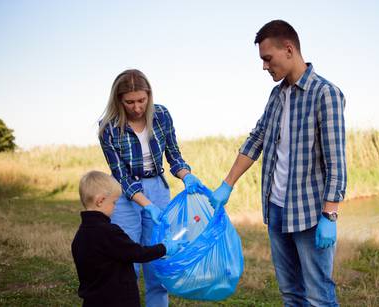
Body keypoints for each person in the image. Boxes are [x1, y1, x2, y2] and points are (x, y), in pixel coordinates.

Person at [211, 20, 346, 306]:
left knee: (318, 294)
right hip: (276, 209)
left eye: (267, 58)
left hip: (310, 213)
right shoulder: (276, 95)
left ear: (288, 49)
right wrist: (227, 185)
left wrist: (330, 216)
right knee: (290, 292)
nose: (264, 66)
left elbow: (336, 162)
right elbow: (256, 140)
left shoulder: (325, 94)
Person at [98, 69, 203, 307]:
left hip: (157, 187)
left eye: (142, 100)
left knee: (158, 255)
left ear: (149, 96)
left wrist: (187, 176)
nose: (137, 107)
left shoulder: (162, 115)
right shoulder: (108, 129)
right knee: (128, 260)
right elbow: (120, 174)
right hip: (125, 196)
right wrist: (147, 205)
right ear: (118, 100)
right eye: (130, 102)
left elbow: (174, 155)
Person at [71, 170, 187, 307]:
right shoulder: (110, 232)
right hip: (119, 300)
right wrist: (165, 248)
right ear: (100, 201)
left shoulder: (79, 236)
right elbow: (138, 253)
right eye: (114, 202)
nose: (115, 208)